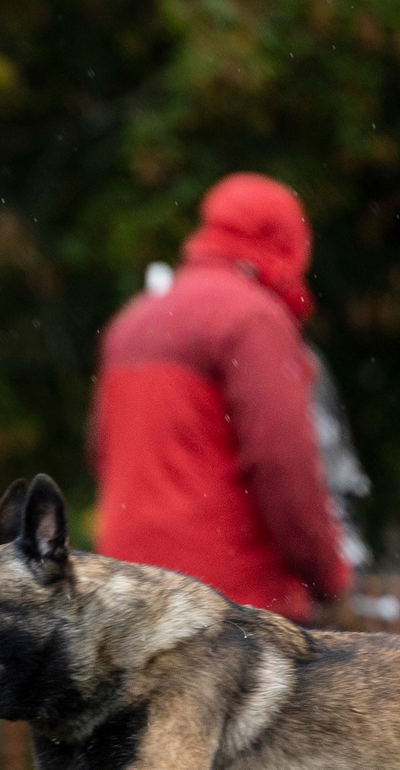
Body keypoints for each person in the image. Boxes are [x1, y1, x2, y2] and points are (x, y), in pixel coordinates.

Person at [91, 173, 353, 622]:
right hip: (226, 613)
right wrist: (327, 575)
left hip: (124, 600)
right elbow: (282, 462)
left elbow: (100, 452)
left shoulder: (131, 321)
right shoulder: (253, 320)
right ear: (289, 245)